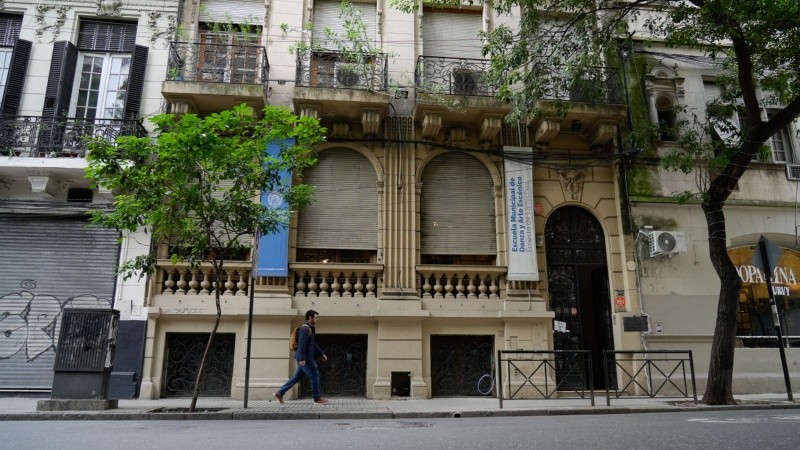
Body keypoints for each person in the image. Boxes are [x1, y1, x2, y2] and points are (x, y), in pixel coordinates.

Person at [274, 309, 329, 404]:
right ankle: (317, 398)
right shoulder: (305, 329)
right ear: (310, 317)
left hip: (306, 358)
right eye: (316, 318)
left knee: (296, 378)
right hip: (307, 359)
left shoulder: (309, 328)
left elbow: (313, 344)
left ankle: (279, 393)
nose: (317, 320)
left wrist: (321, 354)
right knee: (315, 376)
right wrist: (302, 358)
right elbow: (302, 344)